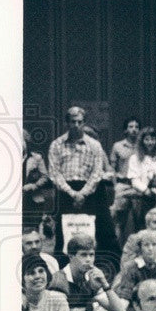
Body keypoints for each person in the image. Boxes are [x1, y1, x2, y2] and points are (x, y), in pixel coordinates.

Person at [47, 106, 119, 258]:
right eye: (73, 122)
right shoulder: (56, 145)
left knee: (92, 230)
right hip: (65, 192)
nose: (76, 125)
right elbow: (54, 173)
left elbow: (97, 172)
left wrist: (82, 194)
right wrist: (72, 193)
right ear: (67, 123)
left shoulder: (94, 145)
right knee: (64, 231)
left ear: (84, 122)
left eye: (80, 122)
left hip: (90, 192)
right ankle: (64, 266)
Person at [48, 234, 127, 311]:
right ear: (71, 256)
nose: (89, 260)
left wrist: (105, 284)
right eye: (83, 255)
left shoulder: (89, 278)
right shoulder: (59, 282)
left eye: (91, 255)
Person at [109, 117, 141, 242]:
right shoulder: (118, 146)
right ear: (125, 130)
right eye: (131, 126)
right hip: (123, 185)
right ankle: (117, 253)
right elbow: (112, 168)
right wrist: (115, 185)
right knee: (118, 222)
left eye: (136, 127)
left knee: (139, 222)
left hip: (138, 187)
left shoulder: (142, 146)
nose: (134, 129)